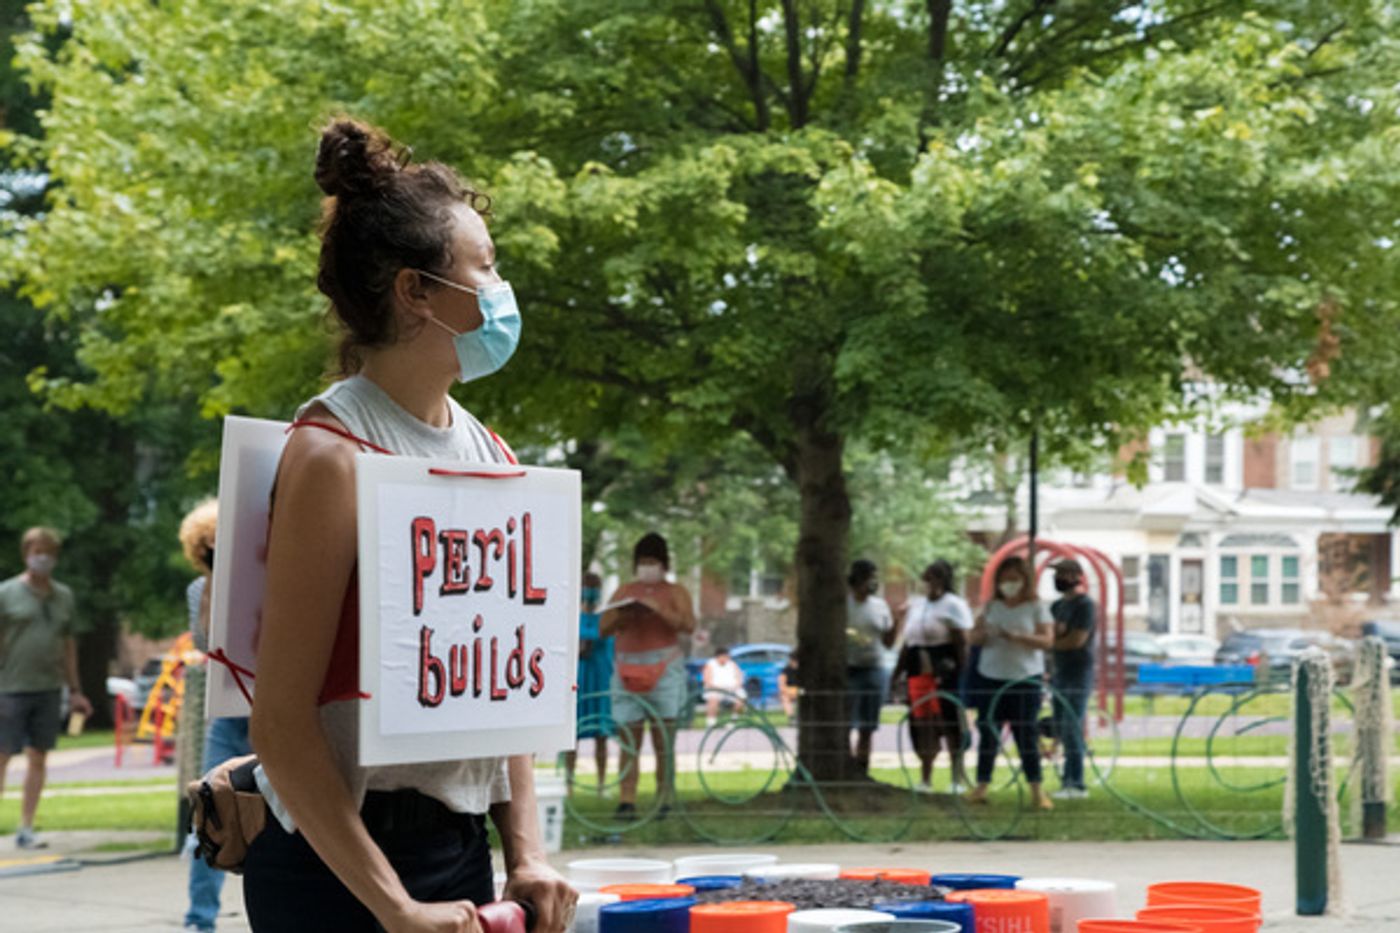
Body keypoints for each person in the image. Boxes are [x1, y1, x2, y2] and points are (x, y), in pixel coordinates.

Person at [244, 119, 574, 933]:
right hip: (335, 869)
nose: (500, 288)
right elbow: (280, 724)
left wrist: (526, 851)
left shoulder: (492, 453)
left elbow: (501, 690)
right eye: (485, 267)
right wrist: (393, 906)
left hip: (458, 851)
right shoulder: (331, 455)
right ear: (415, 291)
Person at [180, 499, 253, 933]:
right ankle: (199, 918)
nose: (215, 543)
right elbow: (205, 642)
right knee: (209, 813)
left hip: (261, 709)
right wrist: (213, 584)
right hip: (226, 715)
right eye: (208, 538)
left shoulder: (256, 579)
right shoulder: (197, 590)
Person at [0, 527, 92, 850]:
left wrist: (75, 689)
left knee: (38, 756)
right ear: (26, 553)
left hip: (48, 687)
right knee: (2, 755)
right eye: (38, 551)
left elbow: (68, 645)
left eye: (49, 552)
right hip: (9, 687)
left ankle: (26, 827)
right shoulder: (7, 593)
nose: (43, 557)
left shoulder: (63, 596)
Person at [599, 532, 696, 820]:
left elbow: (688, 624)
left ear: (663, 564)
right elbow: (603, 628)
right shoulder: (624, 591)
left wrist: (660, 610)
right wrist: (623, 616)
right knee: (629, 739)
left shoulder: (676, 592)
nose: (647, 567)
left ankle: (664, 797)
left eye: (652, 562)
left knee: (664, 739)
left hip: (663, 667)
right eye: (643, 562)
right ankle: (626, 800)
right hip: (626, 667)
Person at [966, 556, 1054, 810]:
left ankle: (1036, 789)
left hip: (1025, 678)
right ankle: (982, 785)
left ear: (1025, 580)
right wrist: (981, 635)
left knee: (1025, 734)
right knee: (988, 732)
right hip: (991, 676)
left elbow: (1047, 641)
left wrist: (1017, 637)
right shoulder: (991, 607)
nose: (1009, 584)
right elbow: (973, 636)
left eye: (1014, 579)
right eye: (1004, 579)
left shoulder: (1036, 607)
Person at [897, 560, 972, 793]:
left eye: (935, 578)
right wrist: (898, 672)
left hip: (945, 668)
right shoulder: (917, 605)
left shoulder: (953, 605)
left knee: (949, 722)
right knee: (922, 724)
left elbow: (962, 641)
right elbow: (908, 641)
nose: (929, 583)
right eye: (926, 578)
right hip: (917, 667)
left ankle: (956, 778)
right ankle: (925, 778)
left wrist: (962, 672)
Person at [1050, 558, 1097, 800]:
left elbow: (1076, 640)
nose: (1058, 578)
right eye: (1057, 573)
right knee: (1060, 725)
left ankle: (1076, 783)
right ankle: (1066, 780)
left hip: (1078, 671)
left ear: (1076, 576)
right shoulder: (1057, 606)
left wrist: (1048, 644)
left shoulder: (1085, 605)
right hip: (1059, 671)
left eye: (1063, 573)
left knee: (1072, 726)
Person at [846, 559, 897, 777]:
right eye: (869, 578)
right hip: (848, 669)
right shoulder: (843, 605)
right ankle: (846, 767)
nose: (873, 583)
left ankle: (862, 770)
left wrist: (897, 621)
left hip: (873, 669)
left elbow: (888, 642)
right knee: (845, 723)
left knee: (867, 726)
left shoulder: (880, 606)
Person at [563, 572, 612, 797]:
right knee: (572, 736)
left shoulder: (606, 619)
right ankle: (569, 784)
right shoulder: (571, 617)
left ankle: (601, 784)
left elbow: (604, 640)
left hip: (600, 680)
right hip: (579, 681)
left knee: (601, 736)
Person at [701, 646, 746, 727]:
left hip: (732, 689)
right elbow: (707, 680)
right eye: (725, 656)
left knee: (741, 698)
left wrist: (736, 685)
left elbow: (739, 676)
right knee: (713, 698)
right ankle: (711, 723)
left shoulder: (732, 664)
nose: (726, 658)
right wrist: (718, 688)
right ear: (719, 656)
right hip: (715, 689)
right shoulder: (710, 664)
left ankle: (733, 721)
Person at [778, 653, 800, 721]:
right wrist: (786, 691)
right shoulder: (786, 670)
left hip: (801, 690)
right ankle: (791, 717)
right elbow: (781, 684)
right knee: (784, 697)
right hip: (791, 690)